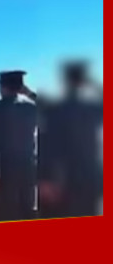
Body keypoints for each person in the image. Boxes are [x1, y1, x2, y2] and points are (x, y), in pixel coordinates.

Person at [39, 61, 103, 218]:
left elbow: (46, 144)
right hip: (90, 177)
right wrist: (92, 82)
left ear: (65, 80)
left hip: (61, 178)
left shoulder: (54, 109)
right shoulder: (92, 109)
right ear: (83, 81)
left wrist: (44, 177)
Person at [0, 71, 38, 222]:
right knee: (27, 208)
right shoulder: (31, 107)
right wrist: (29, 93)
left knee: (7, 211)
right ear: (21, 87)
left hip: (4, 168)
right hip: (28, 166)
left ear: (2, 87)